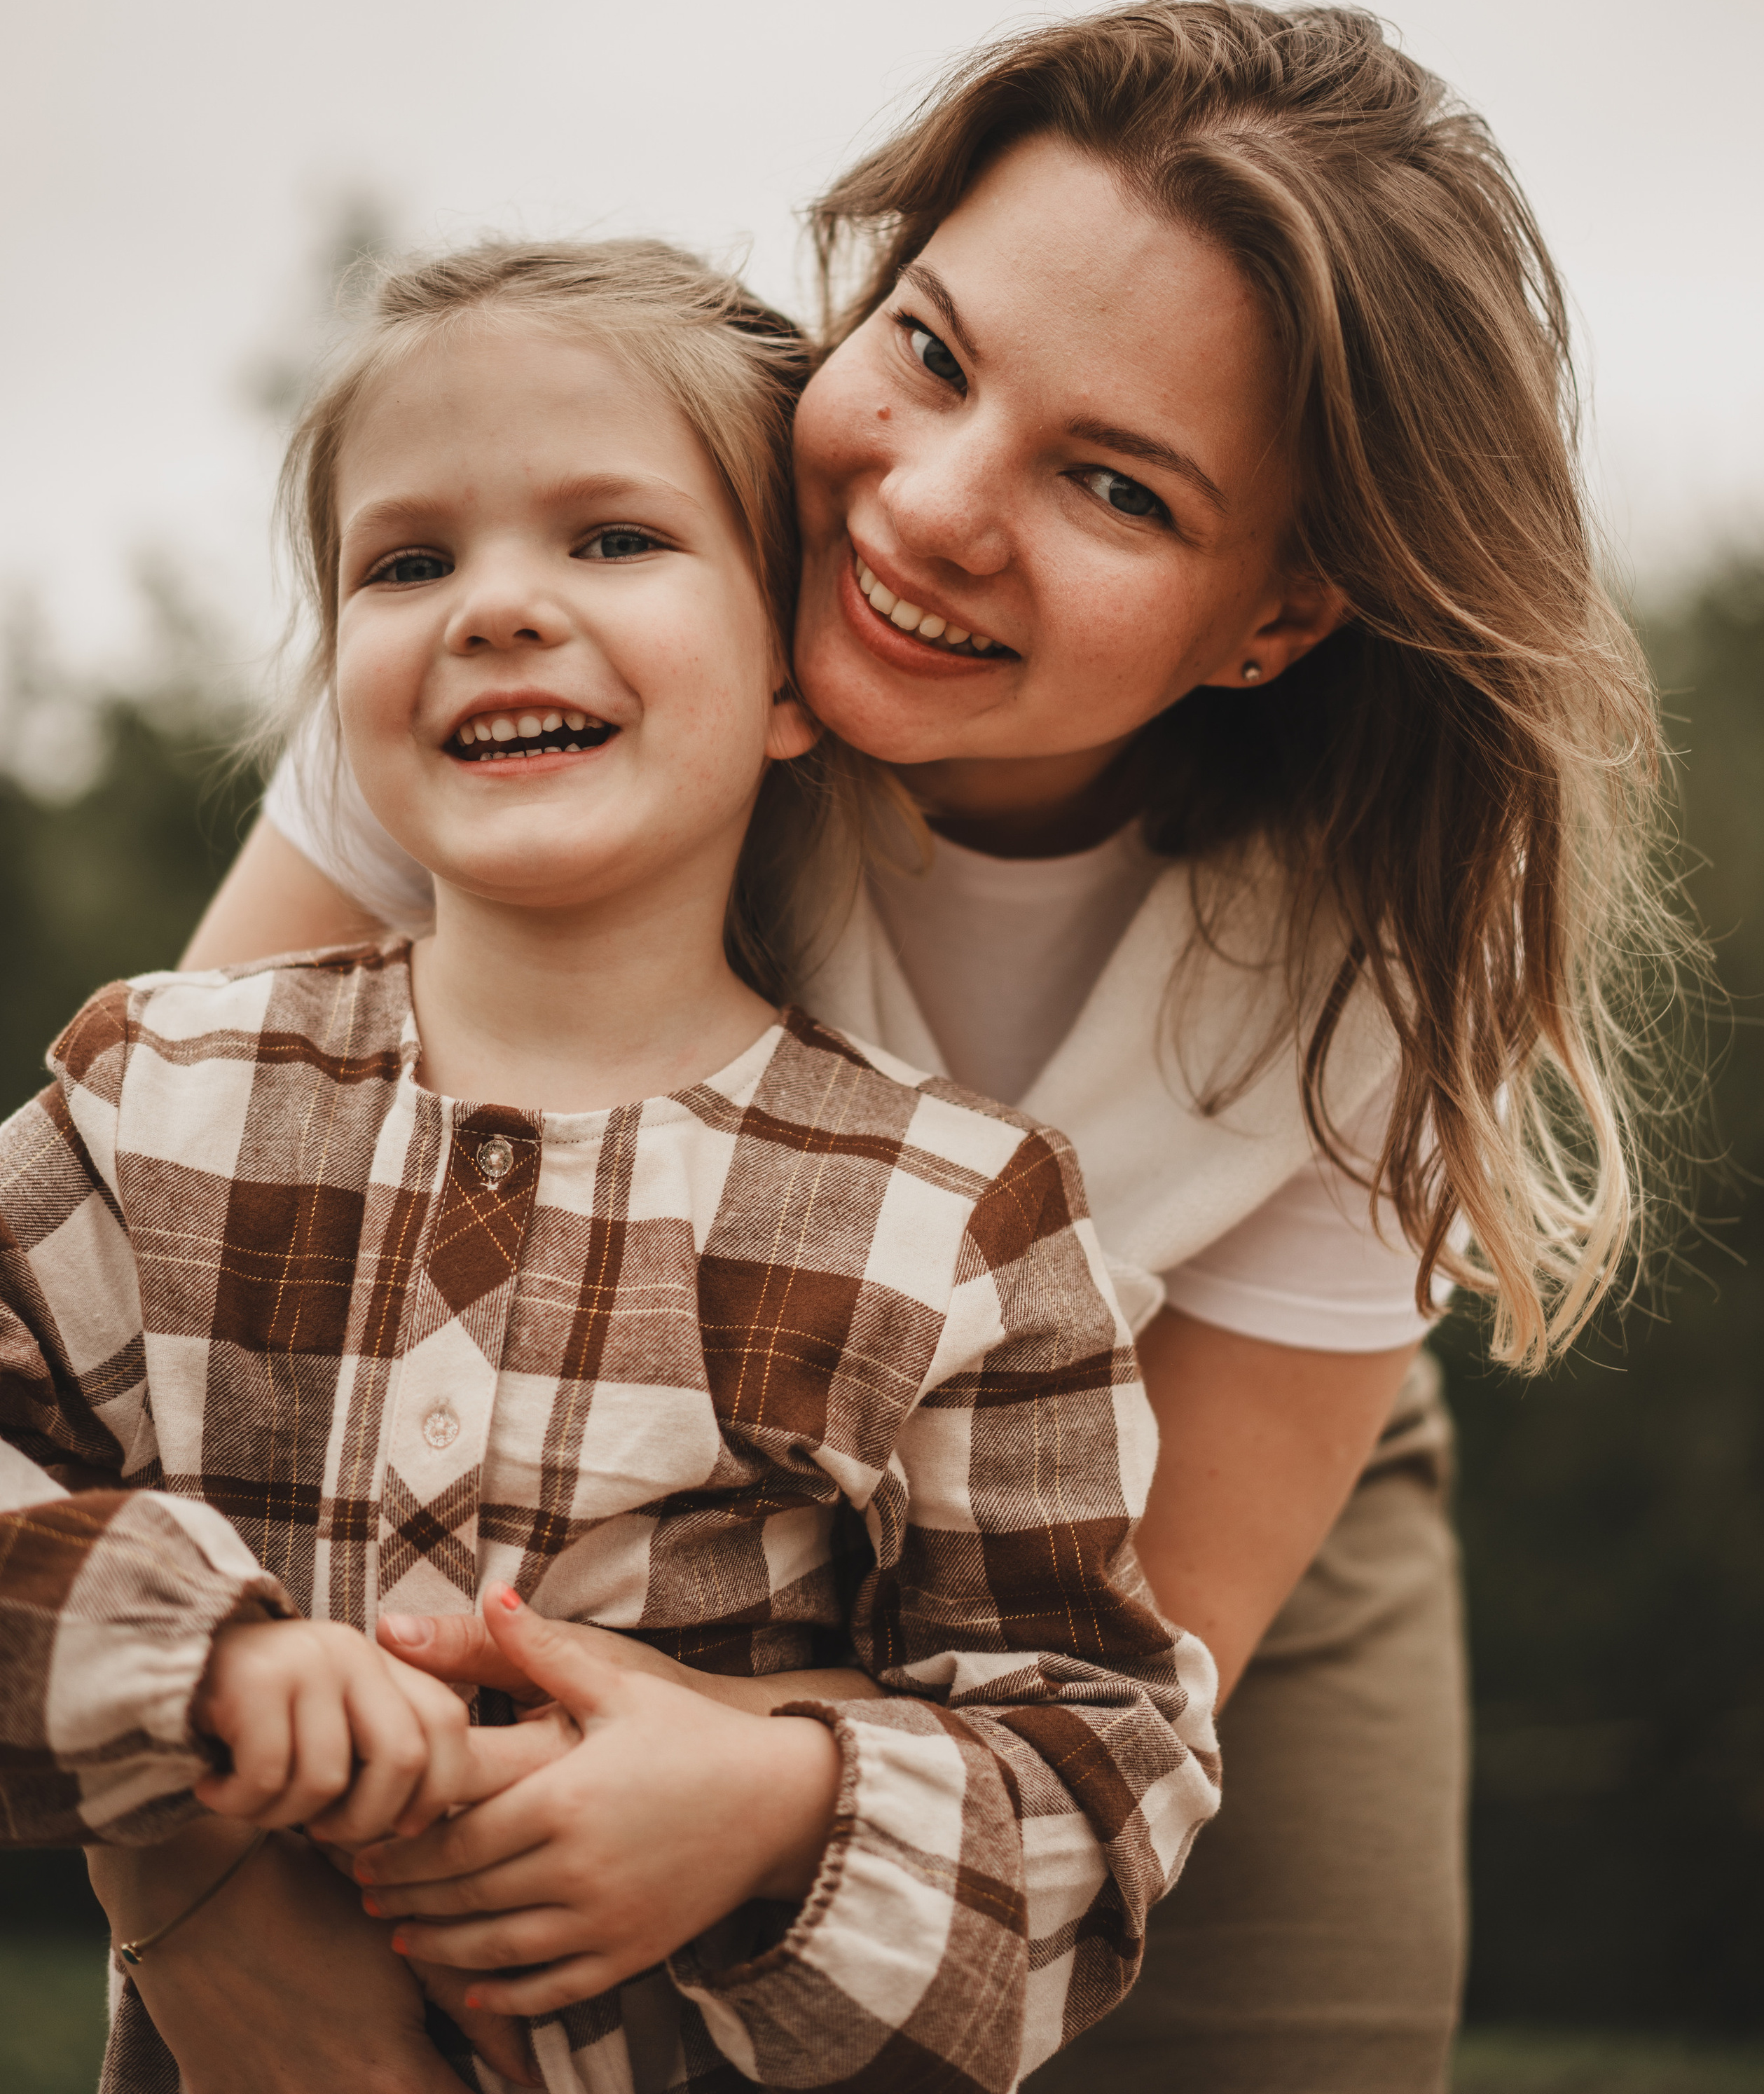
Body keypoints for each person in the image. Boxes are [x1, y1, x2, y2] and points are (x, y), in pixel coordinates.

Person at [186, 0, 1688, 2094]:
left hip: (1149, 1519)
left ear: (1280, 618)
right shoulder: (551, 651)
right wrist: (204, 1883)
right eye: (931, 349)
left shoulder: (1375, 964)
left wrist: (780, 1780)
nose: (932, 505)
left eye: (1119, 488)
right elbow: (161, 1293)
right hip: (556, 1469)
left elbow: (1112, 1700)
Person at [0, 238, 1220, 2094]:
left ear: (796, 670)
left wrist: (767, 1815)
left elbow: (1098, 1773)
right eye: (409, 563)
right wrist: (199, 1658)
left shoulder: (958, 1216)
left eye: (610, 539)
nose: (496, 607)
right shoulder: (155, 1094)